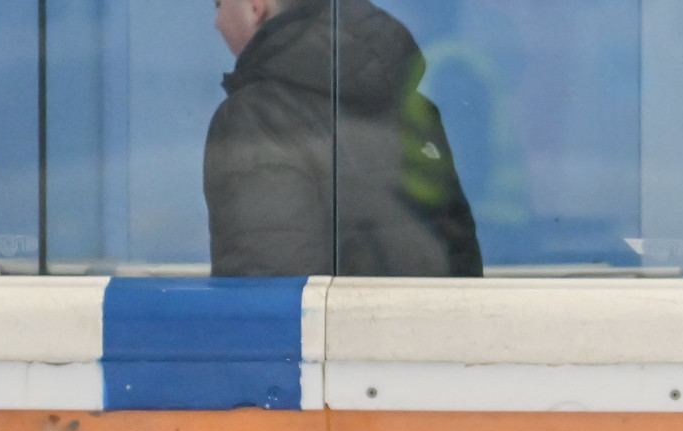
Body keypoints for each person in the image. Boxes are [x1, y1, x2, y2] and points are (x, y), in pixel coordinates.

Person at [206, 0, 482, 277]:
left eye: (218, 4)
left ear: (255, 7)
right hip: (431, 318)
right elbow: (461, 265)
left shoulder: (257, 118)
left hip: (332, 322)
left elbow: (269, 294)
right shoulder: (410, 107)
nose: (216, 22)